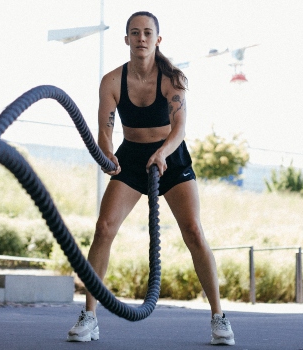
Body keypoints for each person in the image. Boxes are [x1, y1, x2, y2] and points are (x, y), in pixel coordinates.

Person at [66, 11, 235, 346]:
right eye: (135, 32)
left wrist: (163, 153)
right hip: (130, 158)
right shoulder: (112, 81)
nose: (141, 38)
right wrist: (107, 155)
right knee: (104, 228)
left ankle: (219, 317)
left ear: (157, 40)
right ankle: (89, 316)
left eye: (147, 33)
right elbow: (104, 130)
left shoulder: (173, 78)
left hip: (170, 155)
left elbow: (180, 128)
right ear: (126, 39)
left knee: (193, 231)